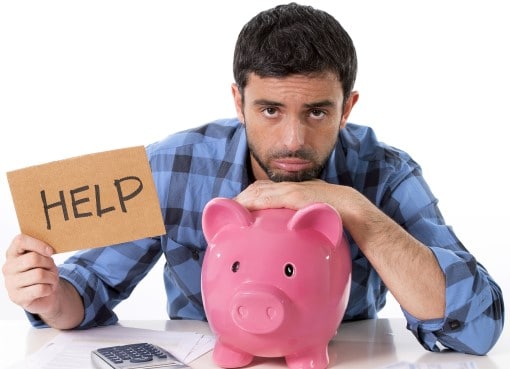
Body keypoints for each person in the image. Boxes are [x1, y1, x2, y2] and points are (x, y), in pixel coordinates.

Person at [2, 2, 504, 356]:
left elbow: (476, 328)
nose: (291, 139)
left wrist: (351, 206)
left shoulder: (385, 174)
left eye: (316, 112)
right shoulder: (171, 166)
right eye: (269, 109)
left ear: (347, 107)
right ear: (237, 101)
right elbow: (85, 294)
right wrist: (47, 296)